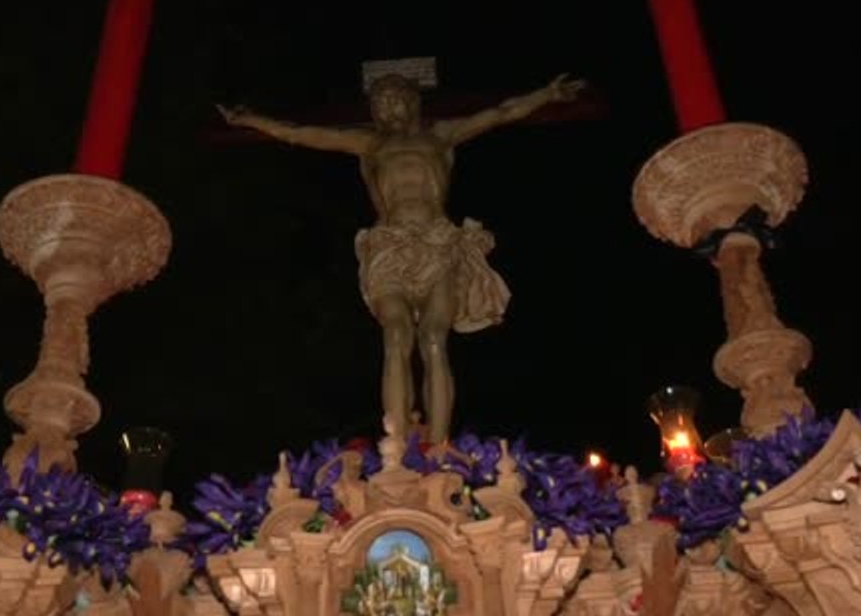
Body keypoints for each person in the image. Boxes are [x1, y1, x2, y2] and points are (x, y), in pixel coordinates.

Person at [217, 73, 585, 443]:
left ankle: (439, 447)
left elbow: (500, 113)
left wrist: (547, 93)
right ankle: (397, 447)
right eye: (379, 103)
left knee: (434, 338)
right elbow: (302, 133)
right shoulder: (370, 144)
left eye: (394, 99)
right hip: (389, 244)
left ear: (413, 102)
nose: (386, 108)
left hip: (437, 242)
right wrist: (251, 120)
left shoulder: (440, 136)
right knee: (395, 335)